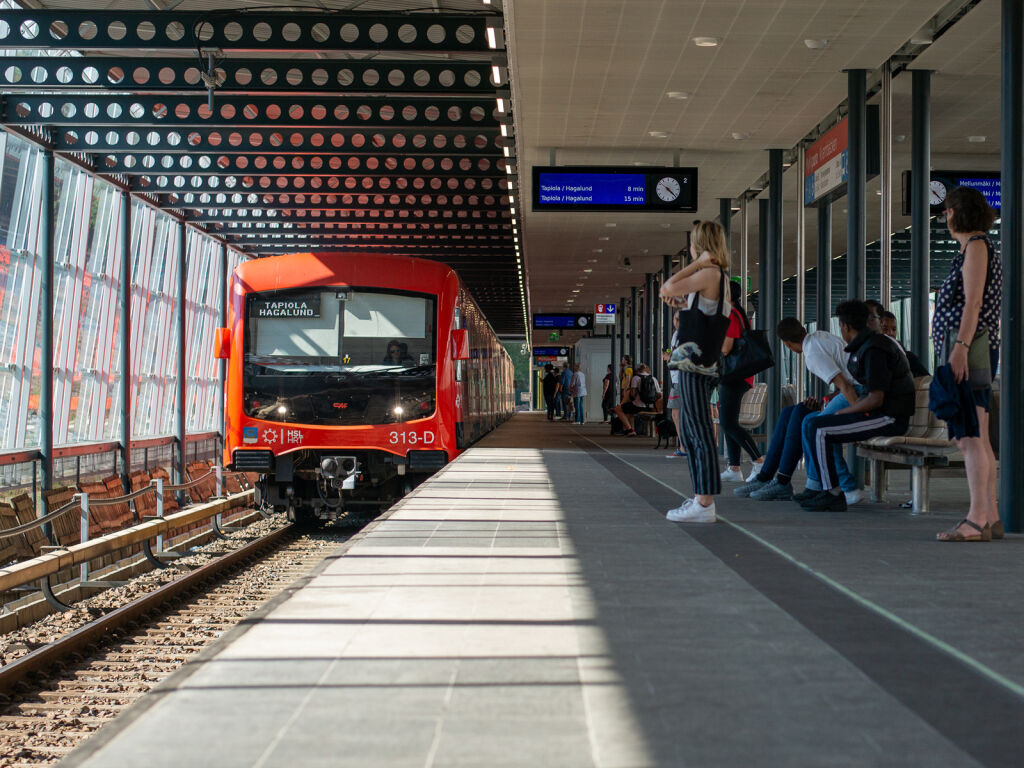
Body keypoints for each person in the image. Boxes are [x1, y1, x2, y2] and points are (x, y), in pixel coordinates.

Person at [932, 186, 1003, 541]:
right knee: (977, 435)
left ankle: (976, 519)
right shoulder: (974, 248)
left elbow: (973, 303)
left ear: (959, 211)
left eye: (947, 211)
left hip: (970, 350)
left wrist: (959, 347)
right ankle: (989, 514)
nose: (945, 217)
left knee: (968, 437)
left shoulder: (976, 246)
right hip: (973, 348)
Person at [800, 300, 915, 512]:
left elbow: (876, 398)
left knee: (820, 428)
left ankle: (832, 493)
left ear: (845, 326)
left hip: (889, 418)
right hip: (880, 414)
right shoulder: (867, 346)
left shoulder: (875, 349)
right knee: (816, 424)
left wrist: (845, 412)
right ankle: (823, 489)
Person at [734, 317, 862, 502]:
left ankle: (842, 487)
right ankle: (768, 477)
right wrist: (825, 401)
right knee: (792, 412)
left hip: (857, 395)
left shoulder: (812, 354)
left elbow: (847, 386)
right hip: (853, 392)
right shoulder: (820, 336)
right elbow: (845, 381)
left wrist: (860, 417)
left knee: (814, 425)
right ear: (802, 329)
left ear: (787, 344)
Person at [660, 220, 732, 523]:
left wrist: (694, 264)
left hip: (695, 364)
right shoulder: (717, 276)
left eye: (693, 244)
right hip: (703, 363)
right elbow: (673, 295)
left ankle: (704, 503)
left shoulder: (709, 273)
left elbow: (667, 286)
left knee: (698, 430)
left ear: (700, 245)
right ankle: (702, 498)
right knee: (693, 430)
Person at [718, 280, 763, 482]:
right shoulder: (737, 313)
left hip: (734, 375)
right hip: (738, 375)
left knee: (728, 423)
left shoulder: (730, 314)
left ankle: (759, 461)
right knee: (729, 422)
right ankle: (734, 468)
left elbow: (726, 348)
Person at [611, 364, 659, 436]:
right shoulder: (653, 378)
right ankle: (631, 429)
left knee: (618, 409)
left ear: (637, 370)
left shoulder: (636, 378)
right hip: (651, 406)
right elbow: (658, 393)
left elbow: (633, 393)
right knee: (628, 410)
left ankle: (630, 429)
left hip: (638, 406)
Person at [662, 313, 686, 458]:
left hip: (680, 379)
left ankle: (684, 447)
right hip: (679, 378)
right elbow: (674, 349)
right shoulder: (679, 334)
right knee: (678, 413)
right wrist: (669, 353)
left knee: (677, 413)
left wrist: (668, 357)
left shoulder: (681, 334)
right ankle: (685, 446)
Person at [879, 311, 930, 377]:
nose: (890, 333)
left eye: (894, 329)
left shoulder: (909, 357)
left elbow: (926, 379)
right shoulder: (873, 357)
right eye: (885, 329)